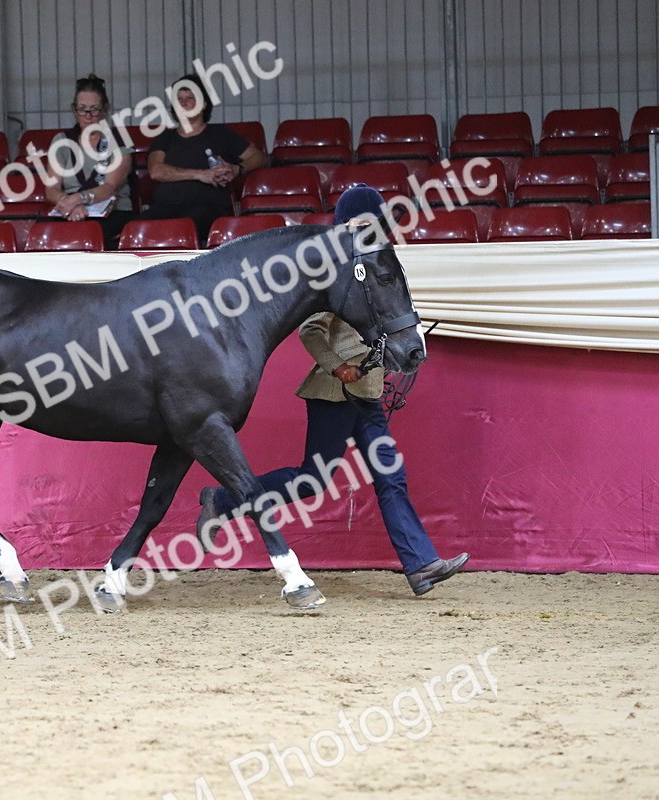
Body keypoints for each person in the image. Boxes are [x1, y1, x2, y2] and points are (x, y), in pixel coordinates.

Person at [195, 184, 469, 596]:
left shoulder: (376, 267)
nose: (367, 231)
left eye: (372, 223)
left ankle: (421, 566)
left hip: (368, 395)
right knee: (311, 481)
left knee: (391, 476)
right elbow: (310, 330)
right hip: (335, 394)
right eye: (358, 224)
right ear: (342, 227)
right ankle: (223, 501)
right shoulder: (335, 274)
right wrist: (338, 366)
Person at [137, 74, 266, 245]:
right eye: (179, 99)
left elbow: (258, 158)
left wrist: (237, 169)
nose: (184, 103)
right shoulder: (164, 138)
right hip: (165, 209)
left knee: (190, 224)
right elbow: (156, 171)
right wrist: (201, 174)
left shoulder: (221, 134)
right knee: (135, 227)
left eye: (190, 98)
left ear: (204, 104)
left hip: (207, 210)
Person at [43, 74, 135, 249]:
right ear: (74, 110)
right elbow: (51, 188)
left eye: (94, 109)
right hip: (70, 211)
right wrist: (68, 204)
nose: (88, 116)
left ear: (104, 109)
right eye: (82, 109)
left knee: (89, 234)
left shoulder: (119, 139)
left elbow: (110, 187)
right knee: (43, 231)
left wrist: (78, 199)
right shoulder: (62, 141)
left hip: (111, 211)